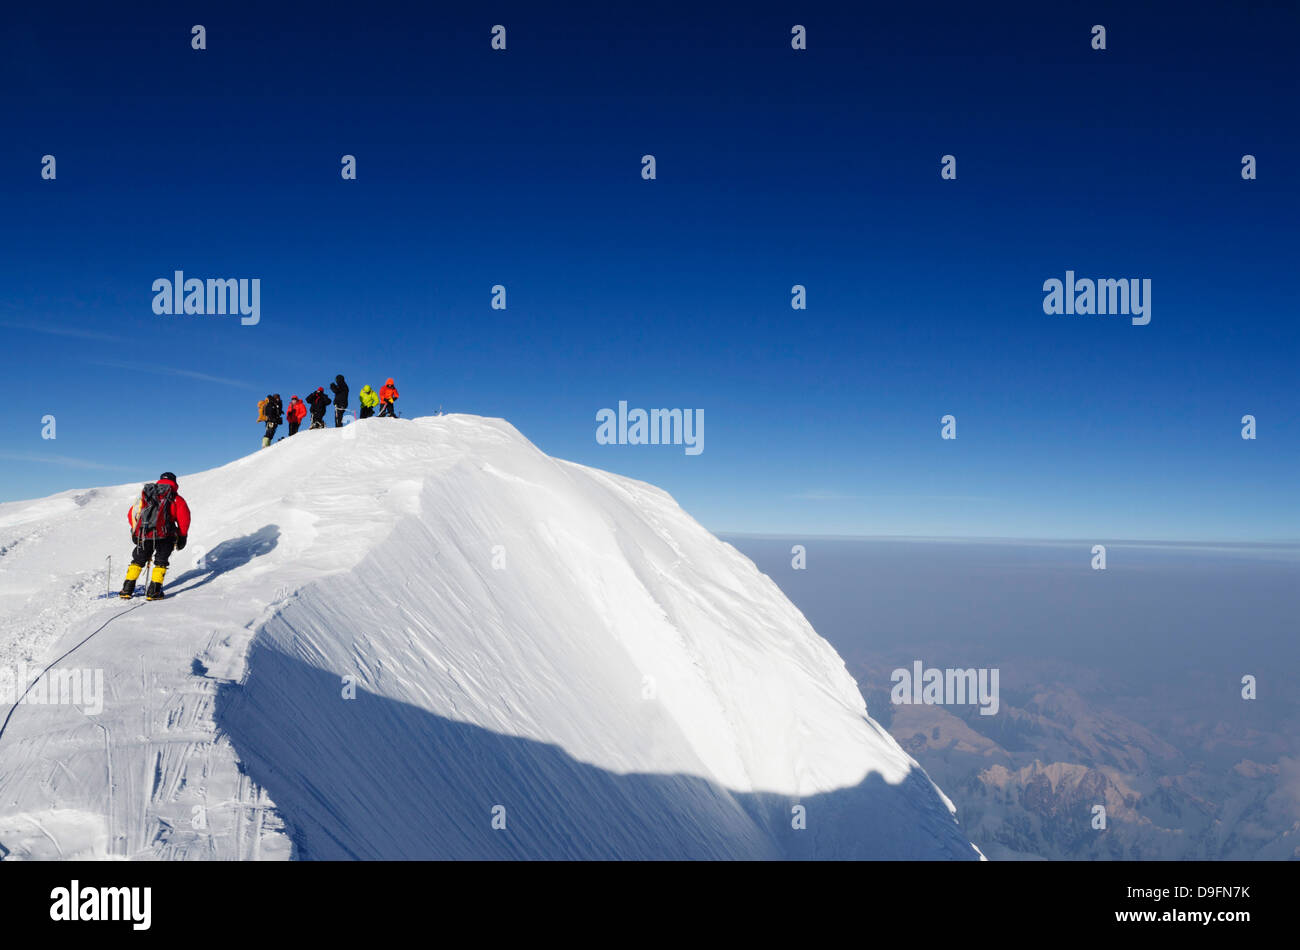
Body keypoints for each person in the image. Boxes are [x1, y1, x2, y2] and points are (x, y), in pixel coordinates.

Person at [119, 472, 191, 601]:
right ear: (174, 483)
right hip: (166, 536)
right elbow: (184, 519)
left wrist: (137, 531)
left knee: (138, 560)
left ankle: (126, 589)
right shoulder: (176, 498)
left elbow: (132, 513)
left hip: (145, 534)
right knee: (161, 562)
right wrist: (182, 536)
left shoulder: (146, 495)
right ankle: (154, 591)